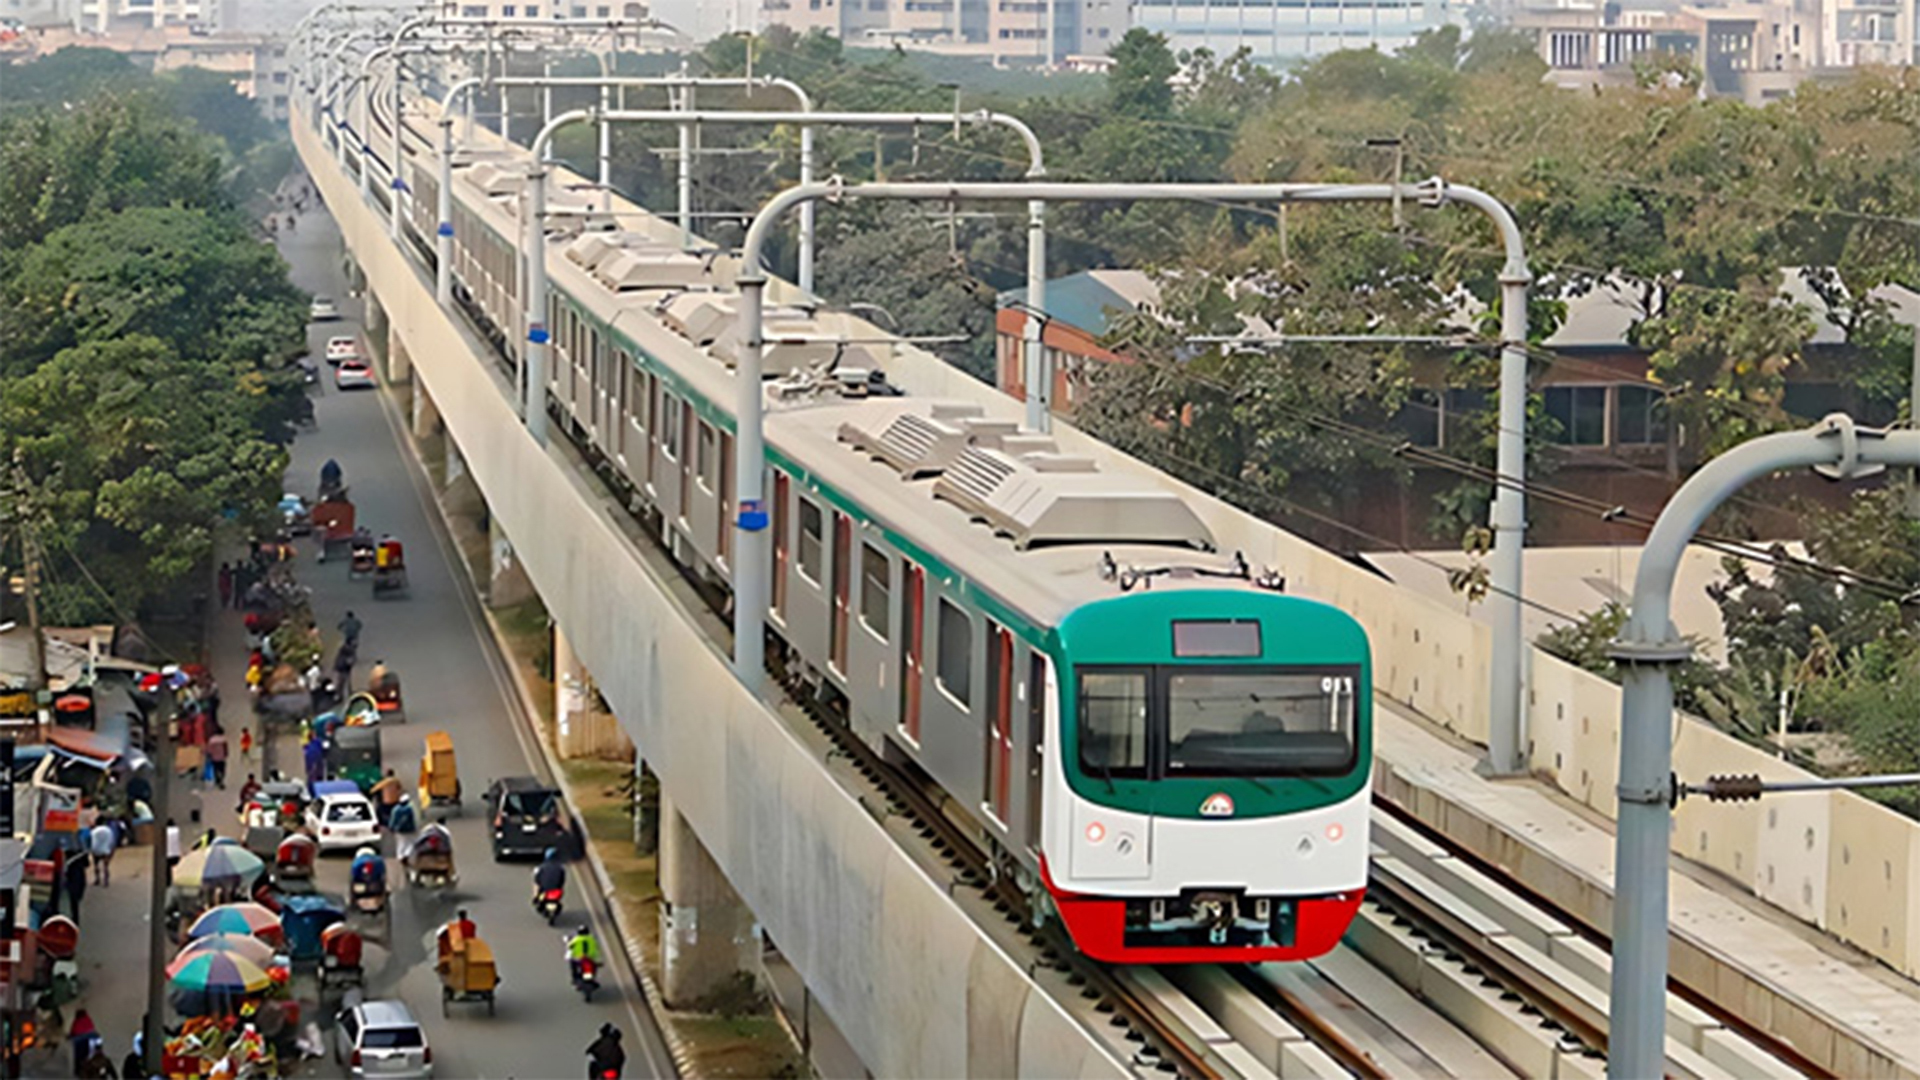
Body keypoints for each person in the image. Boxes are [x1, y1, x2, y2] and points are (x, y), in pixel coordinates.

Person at [69, 1009, 99, 1075]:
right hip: (91, 1038)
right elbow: (92, 1028)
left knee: (79, 1055)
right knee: (92, 1052)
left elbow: (73, 1032)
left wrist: (70, 1037)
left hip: (80, 1040)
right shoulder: (88, 1019)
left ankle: (79, 1070)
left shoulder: (76, 1021)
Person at [89, 819, 114, 886]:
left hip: (96, 850)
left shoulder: (93, 831)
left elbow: (91, 841)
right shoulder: (108, 830)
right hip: (106, 849)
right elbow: (111, 840)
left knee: (96, 865)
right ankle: (106, 881)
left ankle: (97, 879)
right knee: (105, 866)